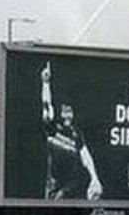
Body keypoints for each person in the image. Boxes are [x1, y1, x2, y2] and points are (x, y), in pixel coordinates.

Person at [41, 62, 103, 201]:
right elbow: (46, 105)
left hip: (71, 187)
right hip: (54, 187)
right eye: (65, 112)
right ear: (59, 113)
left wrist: (94, 178)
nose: (68, 115)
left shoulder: (76, 133)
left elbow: (85, 156)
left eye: (70, 112)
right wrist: (45, 83)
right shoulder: (52, 127)